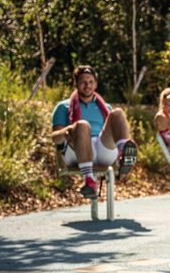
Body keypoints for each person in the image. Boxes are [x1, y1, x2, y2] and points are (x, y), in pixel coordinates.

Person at [51, 65, 138, 199]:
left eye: (91, 82)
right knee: (83, 124)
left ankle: (123, 155)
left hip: (102, 148)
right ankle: (89, 181)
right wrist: (67, 130)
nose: (87, 86)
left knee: (118, 113)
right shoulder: (63, 106)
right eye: (83, 82)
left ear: (96, 84)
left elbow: (110, 132)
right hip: (76, 150)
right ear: (76, 84)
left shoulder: (105, 107)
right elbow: (55, 138)